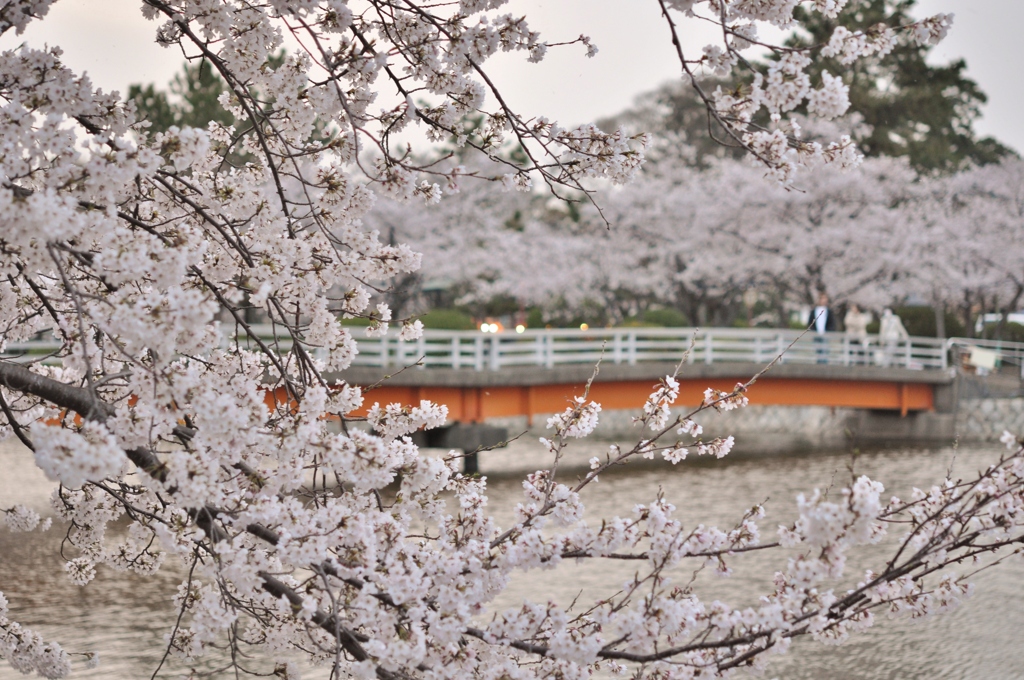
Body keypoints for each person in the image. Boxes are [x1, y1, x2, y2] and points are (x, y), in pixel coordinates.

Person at [812, 292, 836, 364]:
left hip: (826, 334)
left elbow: (832, 323)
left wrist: (829, 331)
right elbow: (810, 322)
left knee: (825, 350)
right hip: (816, 334)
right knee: (818, 350)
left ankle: (824, 364)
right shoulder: (814, 310)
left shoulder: (829, 311)